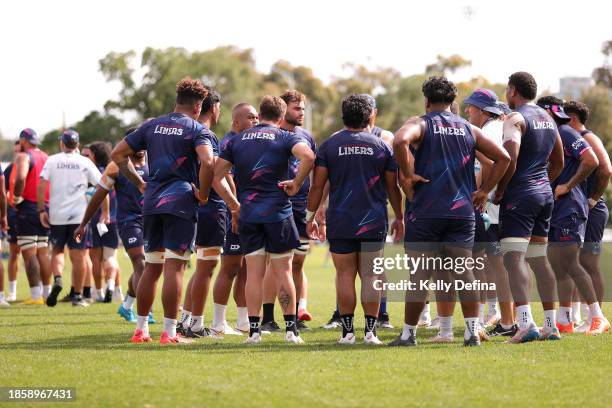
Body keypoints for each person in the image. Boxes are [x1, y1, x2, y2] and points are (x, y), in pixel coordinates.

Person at [390, 76, 510, 347]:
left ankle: (408, 335)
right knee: (464, 272)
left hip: (427, 211)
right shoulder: (468, 128)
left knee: (420, 274)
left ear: (426, 100)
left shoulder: (421, 123)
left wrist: (407, 176)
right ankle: (470, 333)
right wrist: (484, 191)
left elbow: (399, 142)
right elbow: (504, 157)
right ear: (452, 101)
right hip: (462, 213)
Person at [111, 77, 215, 344]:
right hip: (180, 202)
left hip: (152, 203)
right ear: (199, 105)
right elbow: (208, 161)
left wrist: (140, 183)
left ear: (176, 101)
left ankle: (141, 329)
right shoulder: (196, 129)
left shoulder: (152, 125)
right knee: (175, 269)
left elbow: (118, 153)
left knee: (152, 267)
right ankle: (169, 333)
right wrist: (203, 194)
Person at [214, 95, 315, 344]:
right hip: (278, 214)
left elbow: (216, 177)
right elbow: (309, 157)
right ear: (281, 118)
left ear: (260, 114)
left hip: (248, 215)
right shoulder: (285, 136)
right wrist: (296, 182)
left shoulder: (236, 140)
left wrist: (234, 207)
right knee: (284, 272)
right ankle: (291, 331)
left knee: (254, 274)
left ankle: (254, 332)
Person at [306, 93, 404, 345]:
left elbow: (317, 187)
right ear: (371, 116)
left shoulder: (329, 145)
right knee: (371, 275)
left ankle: (347, 333)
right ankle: (370, 333)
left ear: (343, 115)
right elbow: (393, 188)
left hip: (340, 220)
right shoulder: (382, 146)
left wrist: (311, 216)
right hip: (373, 219)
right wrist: (400, 216)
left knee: (344, 275)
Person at [493, 72, 564, 343]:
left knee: (513, 258)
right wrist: (544, 183)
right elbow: (558, 161)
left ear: (513, 91)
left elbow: (510, 156)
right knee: (538, 259)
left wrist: (500, 189)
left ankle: (525, 324)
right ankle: (550, 325)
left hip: (520, 195)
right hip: (544, 195)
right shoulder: (548, 118)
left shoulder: (515, 118)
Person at [536, 96, 609, 336]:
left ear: (548, 112)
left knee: (571, 263)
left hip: (571, 208)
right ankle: (565, 320)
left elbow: (592, 161)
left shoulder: (566, 132)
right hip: (557, 208)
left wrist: (567, 186)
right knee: (559, 266)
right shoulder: (553, 133)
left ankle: (598, 317)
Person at [74, 128, 154, 322]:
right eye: (137, 143)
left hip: (152, 220)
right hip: (128, 221)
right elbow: (98, 196)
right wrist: (83, 223)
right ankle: (147, 311)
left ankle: (127, 305)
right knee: (141, 263)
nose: (141, 147)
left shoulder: (155, 162)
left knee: (149, 267)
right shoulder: (115, 167)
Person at [180, 87, 240, 339]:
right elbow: (216, 176)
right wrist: (234, 205)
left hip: (197, 207)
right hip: (212, 207)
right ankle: (195, 323)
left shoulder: (189, 132)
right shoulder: (206, 135)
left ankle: (185, 317)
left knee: (201, 267)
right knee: (207, 268)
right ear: (213, 108)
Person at [260, 89, 316, 333]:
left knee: (297, 263)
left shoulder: (307, 136)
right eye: (296, 108)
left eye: (303, 108)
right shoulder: (272, 135)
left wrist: (318, 210)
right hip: (276, 206)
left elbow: (315, 173)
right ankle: (269, 319)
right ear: (284, 109)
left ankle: (294, 315)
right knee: (276, 263)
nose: (301, 112)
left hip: (301, 206)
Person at [463, 89, 517, 338]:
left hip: (491, 210)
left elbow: (493, 164)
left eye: (471, 107)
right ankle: (509, 319)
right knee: (500, 267)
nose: (467, 112)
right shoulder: (500, 126)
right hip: (502, 207)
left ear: (483, 110)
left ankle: (507, 322)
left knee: (495, 267)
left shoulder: (487, 132)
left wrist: (481, 191)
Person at [208, 103, 259, 337]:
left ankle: (243, 321)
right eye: (251, 117)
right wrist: (235, 209)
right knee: (230, 267)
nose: (256, 121)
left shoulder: (251, 141)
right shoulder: (228, 142)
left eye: (257, 117)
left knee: (247, 269)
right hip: (235, 214)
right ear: (236, 121)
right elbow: (225, 180)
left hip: (251, 214)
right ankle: (218, 322)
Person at [38, 130, 101, 307]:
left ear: (62, 144)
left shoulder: (52, 160)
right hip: (79, 218)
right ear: (78, 145)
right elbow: (101, 184)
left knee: (57, 250)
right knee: (79, 255)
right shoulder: (84, 161)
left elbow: (42, 184)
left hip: (57, 216)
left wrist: (41, 210)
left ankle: (58, 278)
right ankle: (78, 296)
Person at [564, 100, 612, 332]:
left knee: (589, 264)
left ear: (572, 119)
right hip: (581, 208)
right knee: (574, 262)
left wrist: (592, 200)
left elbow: (606, 169)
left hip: (593, 209)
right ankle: (577, 316)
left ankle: (597, 318)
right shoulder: (575, 140)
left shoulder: (588, 138)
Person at [9, 128, 52, 305]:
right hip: (45, 207)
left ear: (23, 141)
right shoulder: (46, 156)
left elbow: (20, 177)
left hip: (27, 207)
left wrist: (17, 197)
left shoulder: (24, 156)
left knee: (28, 251)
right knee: (42, 250)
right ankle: (47, 293)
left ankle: (35, 296)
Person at [87, 142, 121, 303]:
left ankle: (99, 293)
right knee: (111, 257)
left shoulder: (92, 174)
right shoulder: (114, 170)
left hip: (95, 220)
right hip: (113, 220)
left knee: (95, 259)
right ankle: (112, 287)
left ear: (94, 155)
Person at [3, 141, 21, 303]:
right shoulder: (10, 169)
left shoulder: (35, 165)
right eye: (15, 151)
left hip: (32, 215)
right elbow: (4, 193)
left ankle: (40, 291)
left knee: (36, 253)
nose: (16, 154)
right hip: (14, 215)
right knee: (14, 253)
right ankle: (13, 291)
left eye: (19, 150)